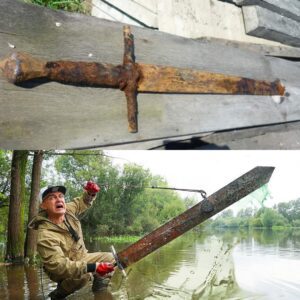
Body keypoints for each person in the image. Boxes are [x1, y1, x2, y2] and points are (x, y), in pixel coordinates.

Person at [28, 181, 115, 299]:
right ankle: (57, 295)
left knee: (111, 258)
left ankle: (100, 292)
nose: (59, 200)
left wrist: (90, 193)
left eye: (61, 196)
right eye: (52, 197)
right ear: (43, 205)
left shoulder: (67, 210)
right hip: (62, 270)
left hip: (82, 256)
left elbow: (82, 202)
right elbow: (59, 266)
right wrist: (93, 267)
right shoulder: (45, 235)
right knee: (84, 276)